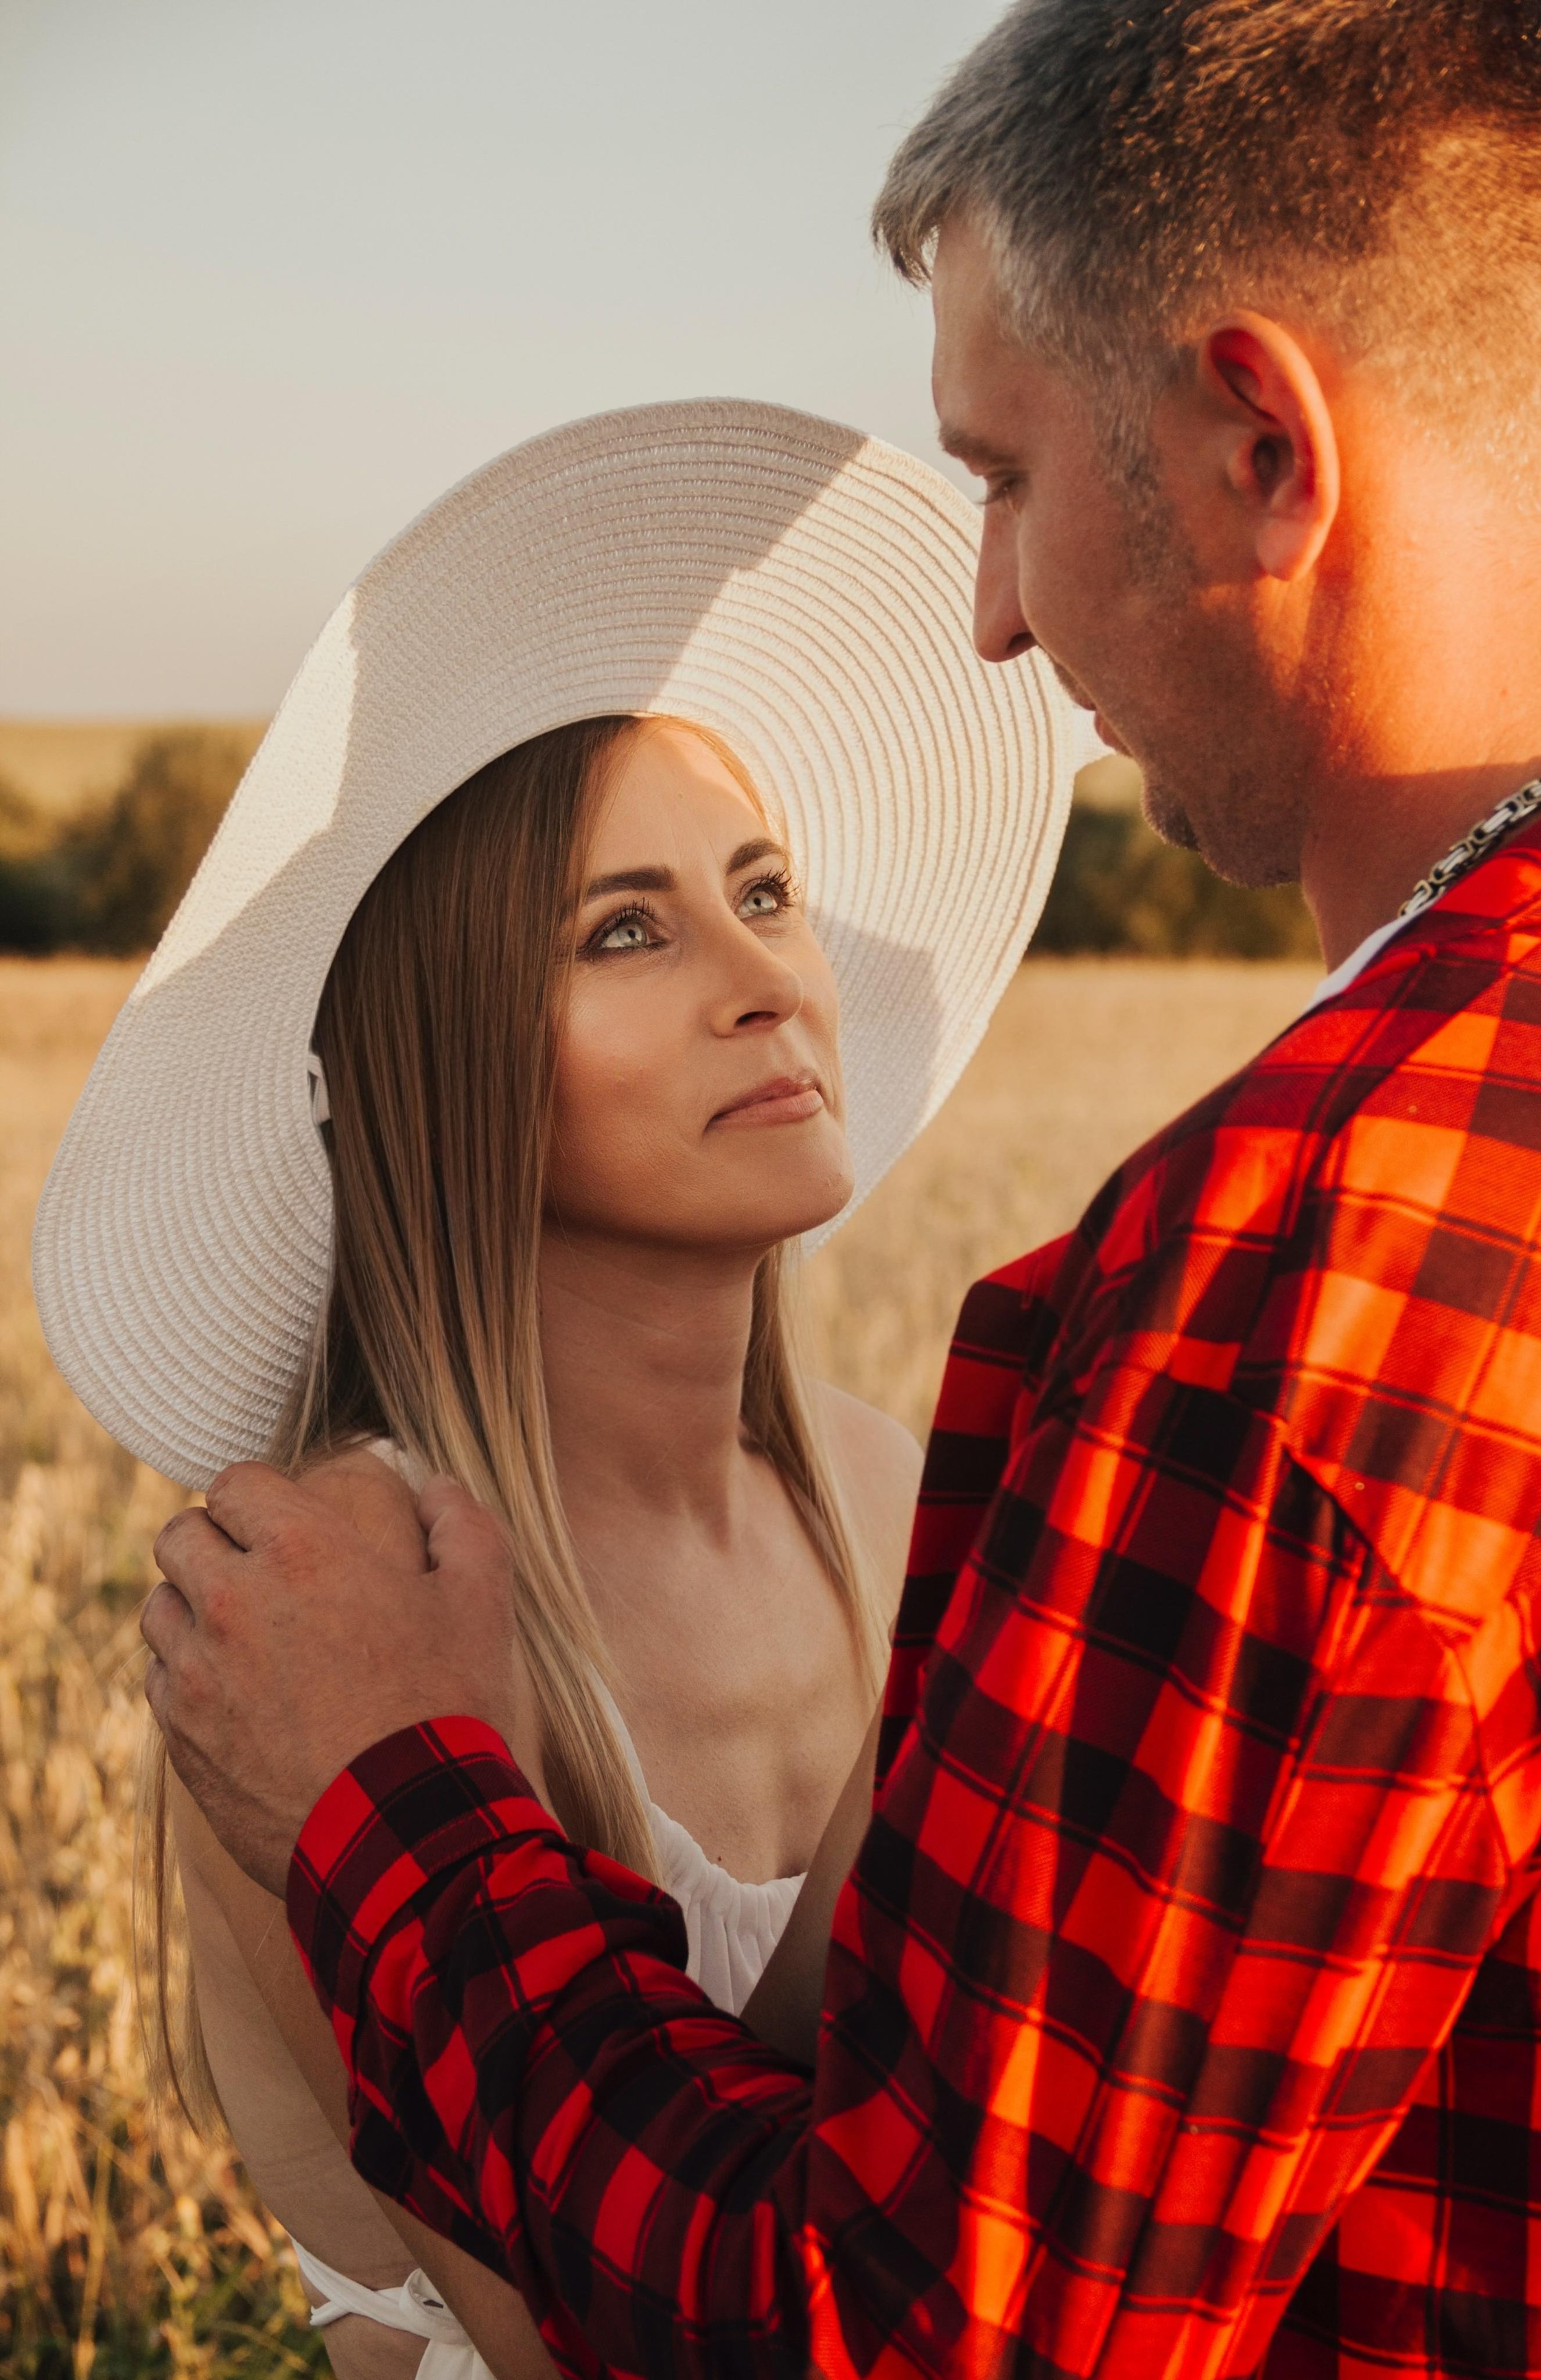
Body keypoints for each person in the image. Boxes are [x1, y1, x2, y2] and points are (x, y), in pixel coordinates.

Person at [136, 2, 1541, 2375]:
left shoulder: (1301, 1293)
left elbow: (916, 2335)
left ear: (1257, 443)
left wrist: (398, 1813)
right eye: (624, 923)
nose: (997, 608)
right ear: (441, 1061)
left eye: (1005, 478)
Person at [32, 401, 1087, 2378]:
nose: (765, 975)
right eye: (626, 929)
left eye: (763, 890)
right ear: (451, 1057)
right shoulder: (319, 1612)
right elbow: (577, 2334)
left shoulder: (913, 1494)